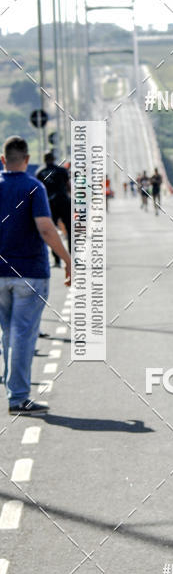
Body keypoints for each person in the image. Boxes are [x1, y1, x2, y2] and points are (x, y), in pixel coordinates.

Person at [0, 137, 71, 414]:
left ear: (3, 159)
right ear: (27, 160)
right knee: (23, 335)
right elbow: (46, 228)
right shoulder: (33, 186)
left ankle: (14, 392)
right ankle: (17, 397)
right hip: (30, 273)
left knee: (8, 333)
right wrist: (67, 260)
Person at [36, 150, 71, 269]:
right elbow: (68, 186)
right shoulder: (62, 170)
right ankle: (72, 256)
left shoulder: (40, 172)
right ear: (53, 158)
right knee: (70, 229)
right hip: (63, 201)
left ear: (44, 159)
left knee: (52, 230)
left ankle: (56, 259)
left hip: (49, 204)